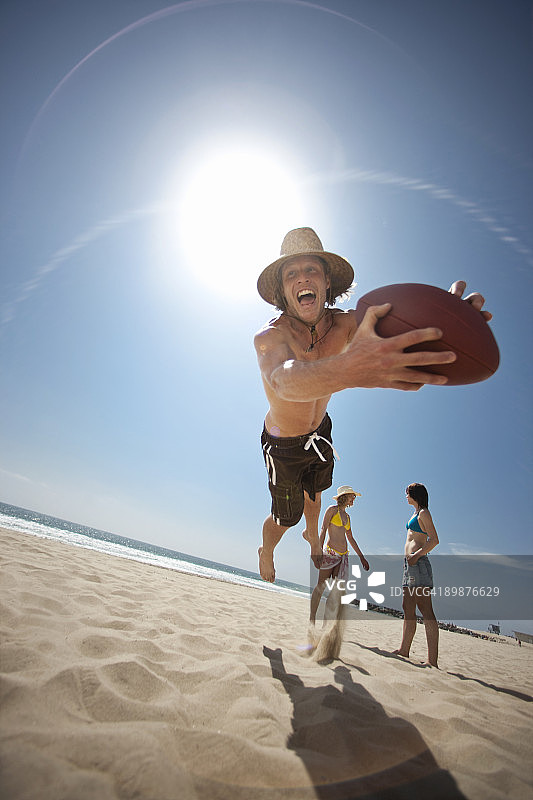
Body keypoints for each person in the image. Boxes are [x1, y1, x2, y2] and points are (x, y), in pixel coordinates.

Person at [255, 227, 492, 583]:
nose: (302, 278)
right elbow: (284, 379)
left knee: (317, 492)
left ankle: (312, 533)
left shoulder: (346, 324)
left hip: (320, 431)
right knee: (285, 517)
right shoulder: (270, 336)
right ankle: (268, 548)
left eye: (311, 270)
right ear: (282, 290)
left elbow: (398, 321)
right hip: (283, 444)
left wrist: (446, 319)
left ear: (327, 283)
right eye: (291, 273)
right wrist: (349, 369)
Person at [393, 483, 439, 667]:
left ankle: (432, 661)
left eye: (407, 493)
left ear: (415, 495)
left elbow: (434, 540)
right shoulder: (415, 513)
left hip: (418, 564)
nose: (405, 496)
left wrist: (416, 555)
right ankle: (404, 650)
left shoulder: (424, 513)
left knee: (426, 610)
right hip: (410, 565)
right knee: (407, 606)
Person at [309, 485, 369, 625]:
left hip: (343, 557)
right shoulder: (332, 510)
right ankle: (312, 618)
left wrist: (362, 557)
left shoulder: (347, 517)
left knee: (336, 592)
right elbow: (323, 529)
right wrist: (318, 550)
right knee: (320, 587)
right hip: (330, 553)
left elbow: (351, 538)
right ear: (345, 496)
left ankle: (325, 623)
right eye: (352, 496)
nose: (354, 498)